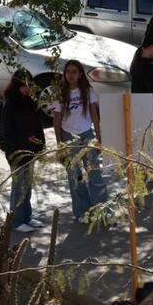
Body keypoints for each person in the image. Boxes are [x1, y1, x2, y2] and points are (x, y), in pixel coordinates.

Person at [50, 59, 108, 223]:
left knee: (95, 173)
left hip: (87, 136)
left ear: (80, 74)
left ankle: (103, 210)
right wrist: (59, 144)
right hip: (69, 138)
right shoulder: (60, 93)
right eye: (68, 72)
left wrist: (99, 137)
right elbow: (57, 121)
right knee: (76, 177)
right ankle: (82, 211)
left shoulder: (88, 91)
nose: (71, 75)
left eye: (74, 72)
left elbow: (95, 116)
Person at [0, 70, 46, 232]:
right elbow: (7, 132)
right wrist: (25, 141)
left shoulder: (29, 102)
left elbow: (37, 125)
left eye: (27, 85)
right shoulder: (10, 103)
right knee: (19, 186)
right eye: (22, 86)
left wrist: (40, 142)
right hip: (16, 151)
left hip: (30, 150)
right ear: (16, 85)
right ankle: (16, 221)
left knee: (27, 185)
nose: (25, 89)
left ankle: (27, 217)